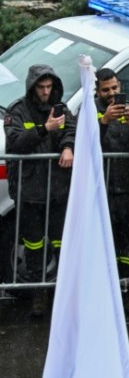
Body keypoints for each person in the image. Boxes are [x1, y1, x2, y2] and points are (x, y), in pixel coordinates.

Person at [3, 64, 76, 316]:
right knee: (33, 244)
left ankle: (60, 291)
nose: (46, 92)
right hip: (30, 189)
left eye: (49, 87)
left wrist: (67, 146)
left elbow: (73, 131)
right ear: (32, 87)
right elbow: (15, 142)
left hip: (58, 189)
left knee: (60, 242)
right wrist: (44, 129)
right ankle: (39, 294)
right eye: (41, 87)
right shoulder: (18, 111)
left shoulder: (61, 108)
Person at [95, 68, 129, 314]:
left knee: (127, 244)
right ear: (97, 90)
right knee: (101, 244)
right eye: (106, 90)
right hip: (100, 190)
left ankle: (128, 291)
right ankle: (102, 296)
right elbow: (80, 143)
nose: (111, 94)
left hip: (128, 188)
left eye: (115, 88)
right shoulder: (89, 111)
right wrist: (104, 122)